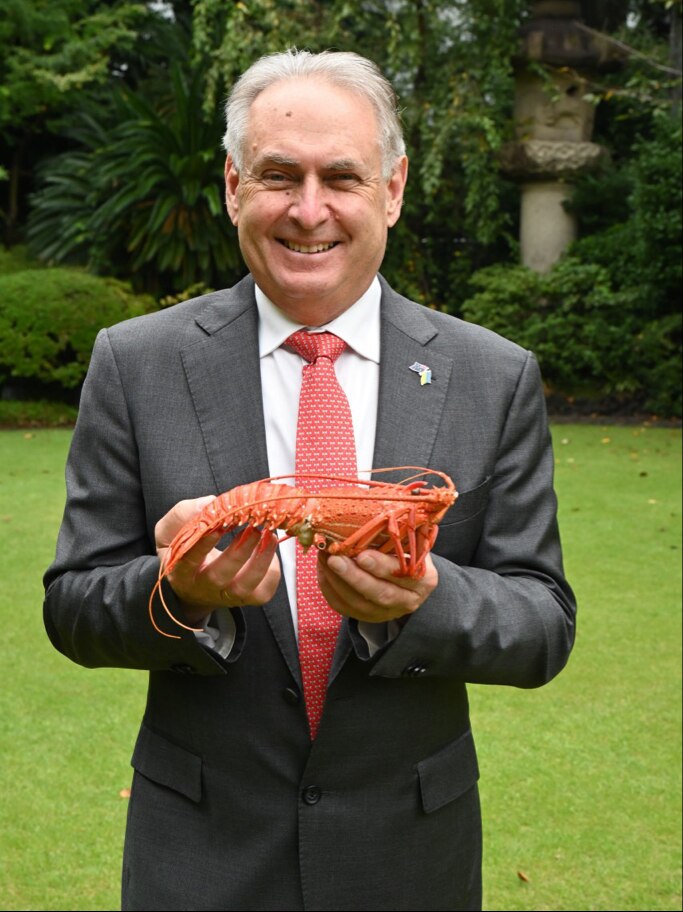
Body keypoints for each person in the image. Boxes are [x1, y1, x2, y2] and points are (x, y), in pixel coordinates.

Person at [43, 48, 576, 912]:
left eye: (343, 177)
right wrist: (177, 594)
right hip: (198, 859)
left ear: (393, 190)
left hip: (409, 862)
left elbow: (543, 622)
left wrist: (424, 600)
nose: (308, 210)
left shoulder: (494, 375)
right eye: (278, 175)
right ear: (232, 186)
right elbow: (72, 604)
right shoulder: (134, 363)